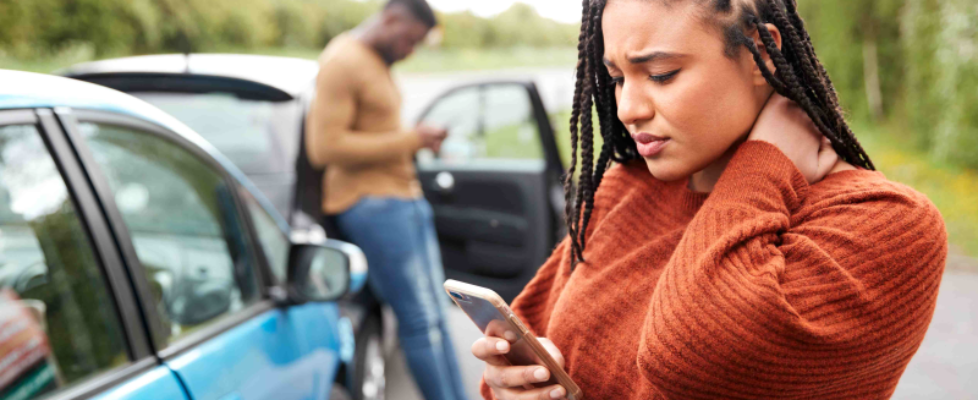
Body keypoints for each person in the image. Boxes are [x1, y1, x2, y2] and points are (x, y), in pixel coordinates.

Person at [472, 0, 948, 399]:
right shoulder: (626, 187)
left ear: (760, 53)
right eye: (617, 78)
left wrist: (764, 164)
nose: (628, 109)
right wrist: (510, 385)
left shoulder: (888, 224)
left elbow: (691, 357)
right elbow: (530, 337)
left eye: (660, 74)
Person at [304, 1, 468, 399]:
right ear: (391, 17)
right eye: (409, 40)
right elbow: (323, 148)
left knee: (438, 317)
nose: (410, 50)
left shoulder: (376, 62)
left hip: (402, 198)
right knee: (419, 322)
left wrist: (416, 140)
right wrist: (411, 140)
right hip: (374, 205)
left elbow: (375, 131)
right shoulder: (343, 60)